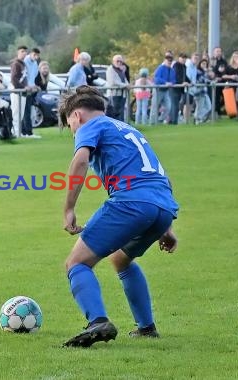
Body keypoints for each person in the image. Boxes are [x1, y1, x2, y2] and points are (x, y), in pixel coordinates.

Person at [57, 85, 179, 348]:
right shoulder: (128, 129)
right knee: (121, 259)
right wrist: (165, 228)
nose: (73, 132)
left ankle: (97, 321)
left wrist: (68, 209)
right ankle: (146, 328)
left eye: (70, 126)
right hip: (162, 206)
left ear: (76, 116)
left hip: (131, 202)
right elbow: (161, 175)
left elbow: (80, 162)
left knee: (76, 263)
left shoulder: (92, 125)